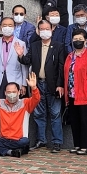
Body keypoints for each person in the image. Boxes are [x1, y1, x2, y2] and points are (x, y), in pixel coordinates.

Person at [16, 20, 65, 153]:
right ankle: (41, 140)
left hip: (53, 85)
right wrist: (20, 54)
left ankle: (56, 142)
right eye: (42, 29)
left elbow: (61, 67)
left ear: (52, 30)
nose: (44, 31)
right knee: (38, 114)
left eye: (47, 28)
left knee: (55, 114)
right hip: (37, 85)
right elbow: (27, 61)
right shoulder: (34, 45)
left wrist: (60, 85)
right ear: (38, 30)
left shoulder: (59, 46)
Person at [0, 73, 40, 157]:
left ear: (19, 92)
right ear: (5, 93)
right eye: (9, 92)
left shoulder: (25, 103)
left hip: (19, 140)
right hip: (3, 139)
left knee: (25, 141)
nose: (11, 94)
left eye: (14, 92)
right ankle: (10, 152)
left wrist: (33, 88)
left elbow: (36, 99)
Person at [64, 29, 87, 155]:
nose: (77, 41)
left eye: (80, 39)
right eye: (75, 39)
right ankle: (77, 145)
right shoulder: (70, 56)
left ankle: (86, 146)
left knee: (85, 120)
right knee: (75, 120)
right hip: (72, 92)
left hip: (85, 92)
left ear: (85, 41)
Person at [0, 17, 29, 99]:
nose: (7, 27)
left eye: (10, 25)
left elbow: (24, 66)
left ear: (14, 27)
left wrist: (24, 84)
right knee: (0, 107)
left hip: (15, 80)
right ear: (1, 27)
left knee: (15, 108)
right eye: (5, 25)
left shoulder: (21, 44)